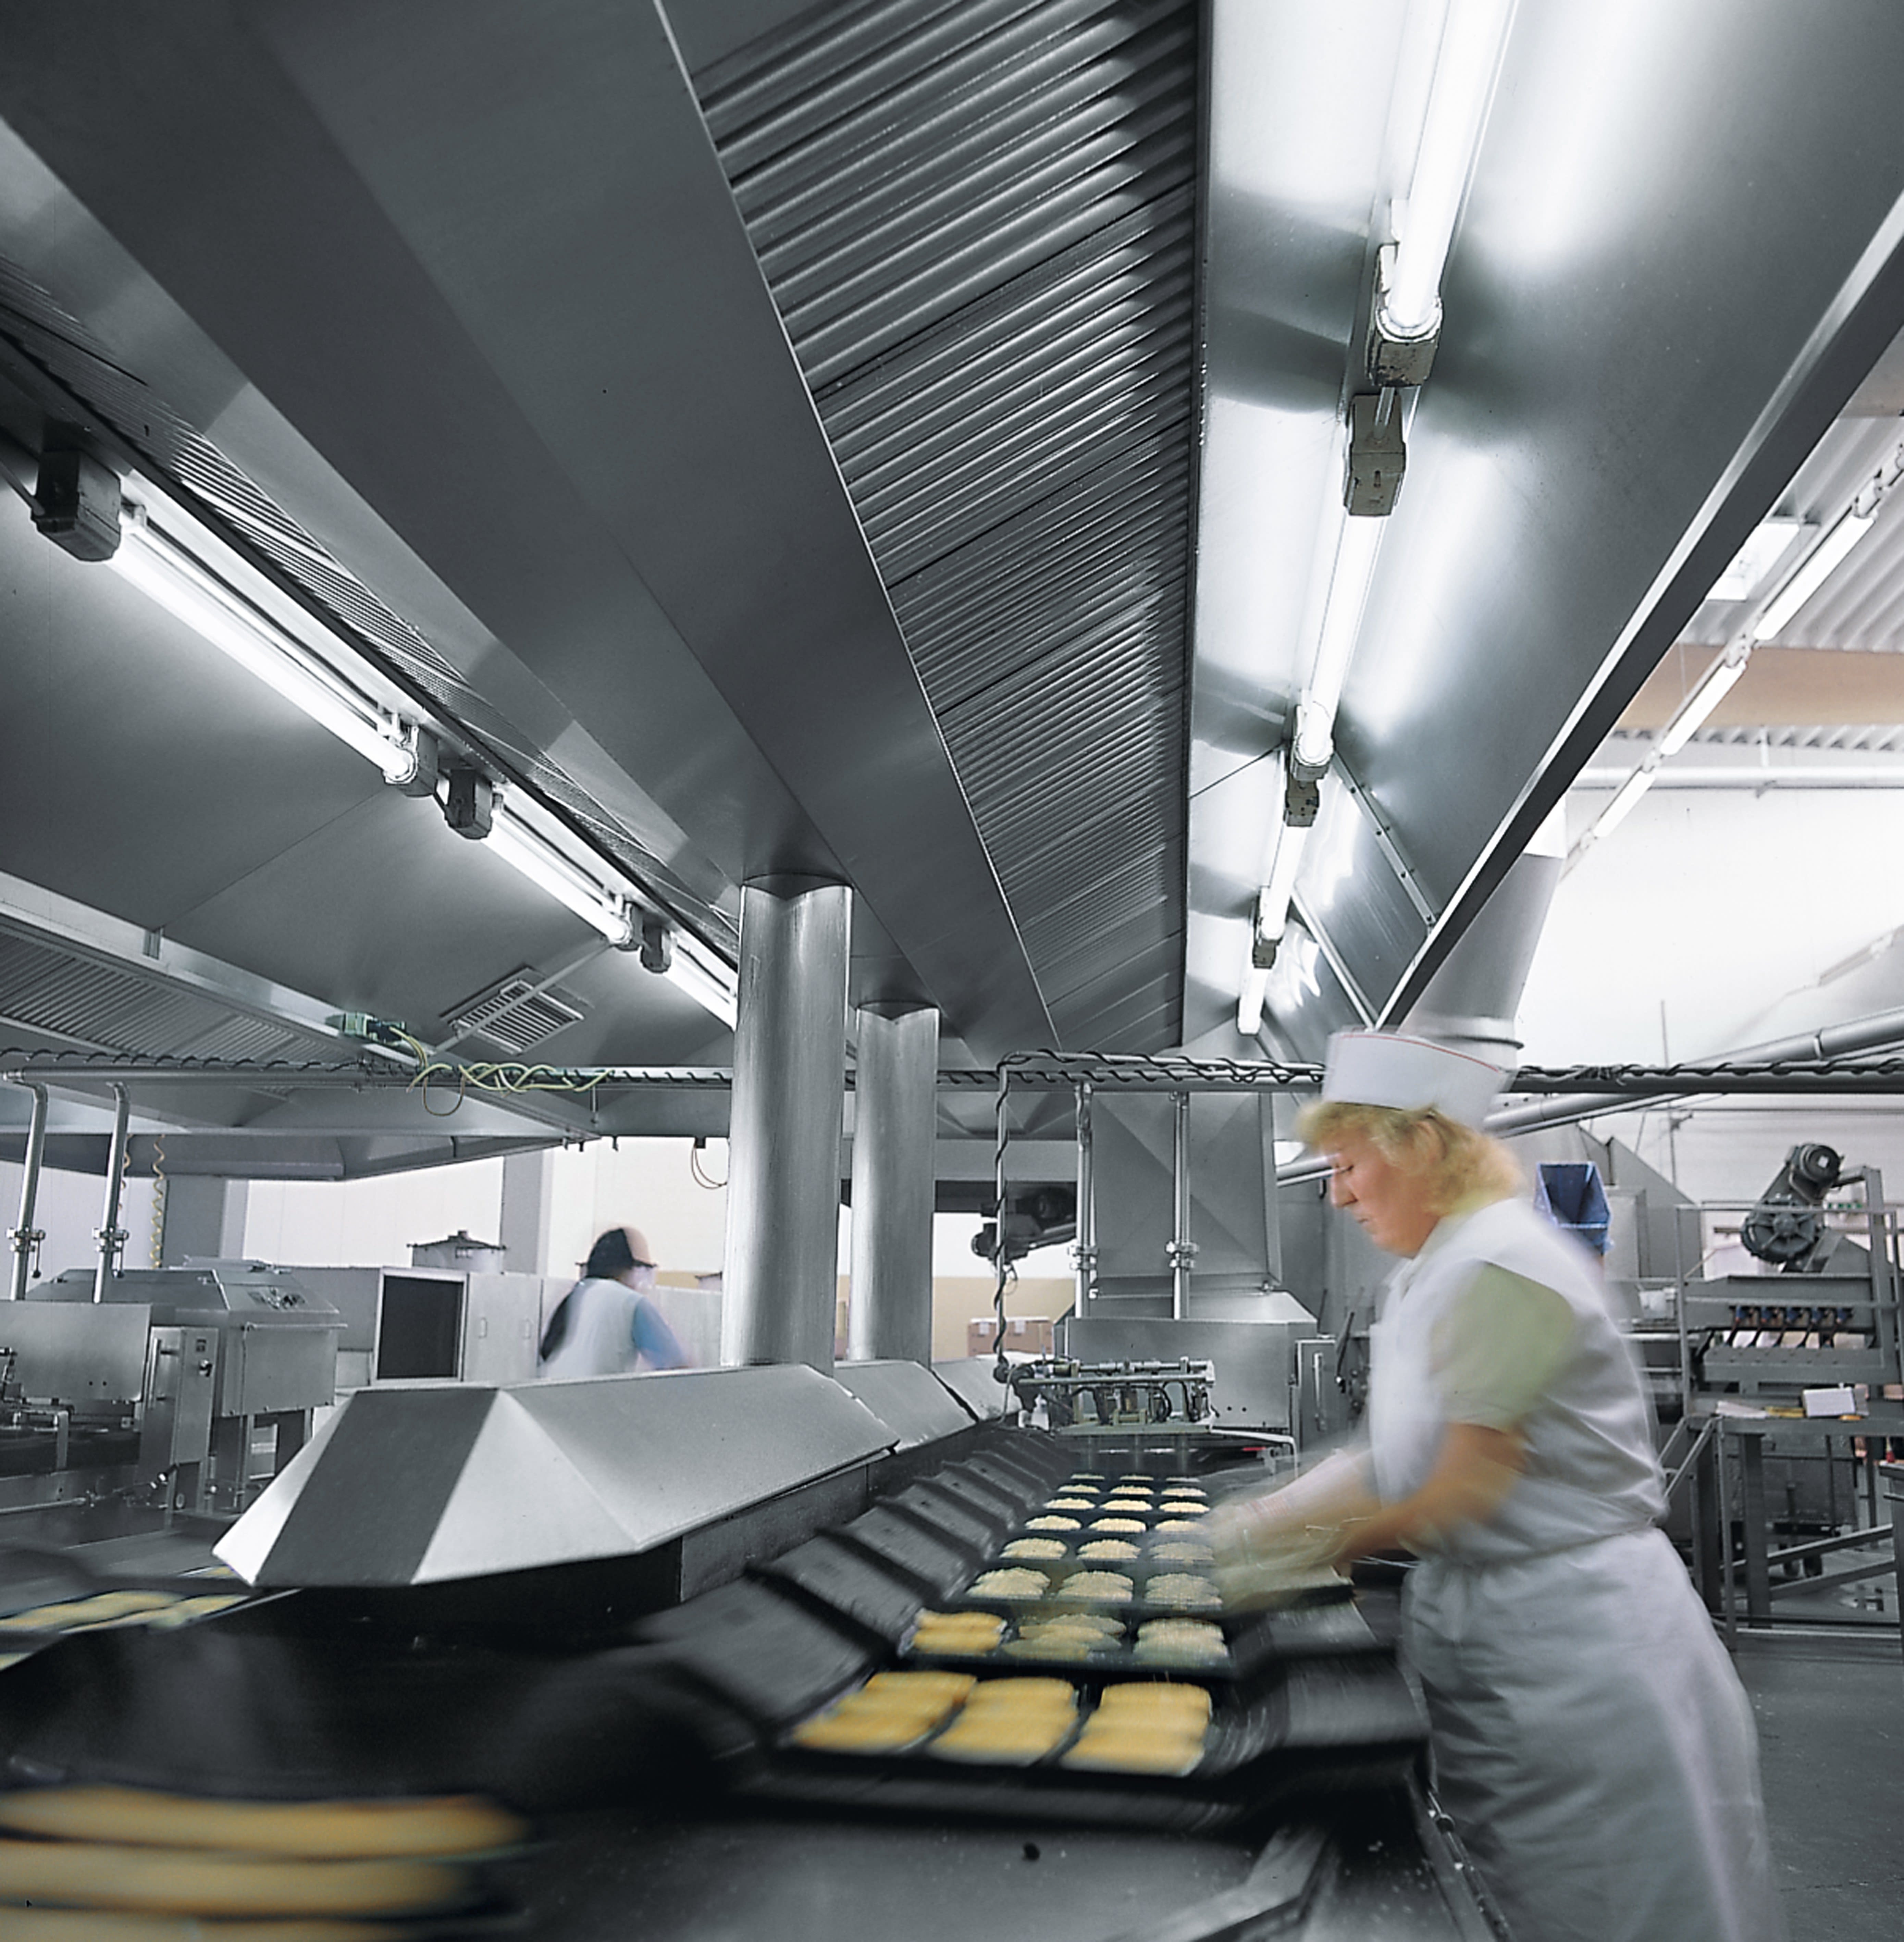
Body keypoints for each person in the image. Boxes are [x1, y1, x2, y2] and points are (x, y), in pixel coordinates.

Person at [1214, 1030, 1783, 1942]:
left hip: (1578, 1652)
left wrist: (1286, 1558)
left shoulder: (1505, 1268)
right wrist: (1249, 1520)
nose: (1337, 1193)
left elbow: (1460, 1486)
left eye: (1349, 1164)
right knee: (1528, 1900)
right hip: (1504, 1637)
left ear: (1419, 1146)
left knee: (1607, 1910)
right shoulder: (1432, 1273)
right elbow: (1393, 1455)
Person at [537, 1225, 690, 1377]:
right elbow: (678, 1370)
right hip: (595, 1393)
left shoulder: (575, 1296)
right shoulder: (631, 1303)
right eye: (645, 1269)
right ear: (632, 1268)